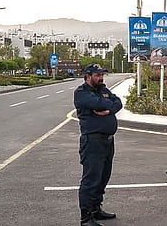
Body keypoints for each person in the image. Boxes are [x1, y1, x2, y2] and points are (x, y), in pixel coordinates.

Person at [74, 63, 123, 226]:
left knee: (103, 177)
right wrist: (107, 104)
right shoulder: (81, 93)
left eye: (102, 75)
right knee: (91, 179)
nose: (101, 78)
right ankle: (86, 217)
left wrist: (108, 110)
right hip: (93, 141)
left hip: (108, 141)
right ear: (87, 76)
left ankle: (96, 209)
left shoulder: (103, 90)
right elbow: (99, 104)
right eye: (97, 75)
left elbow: (118, 103)